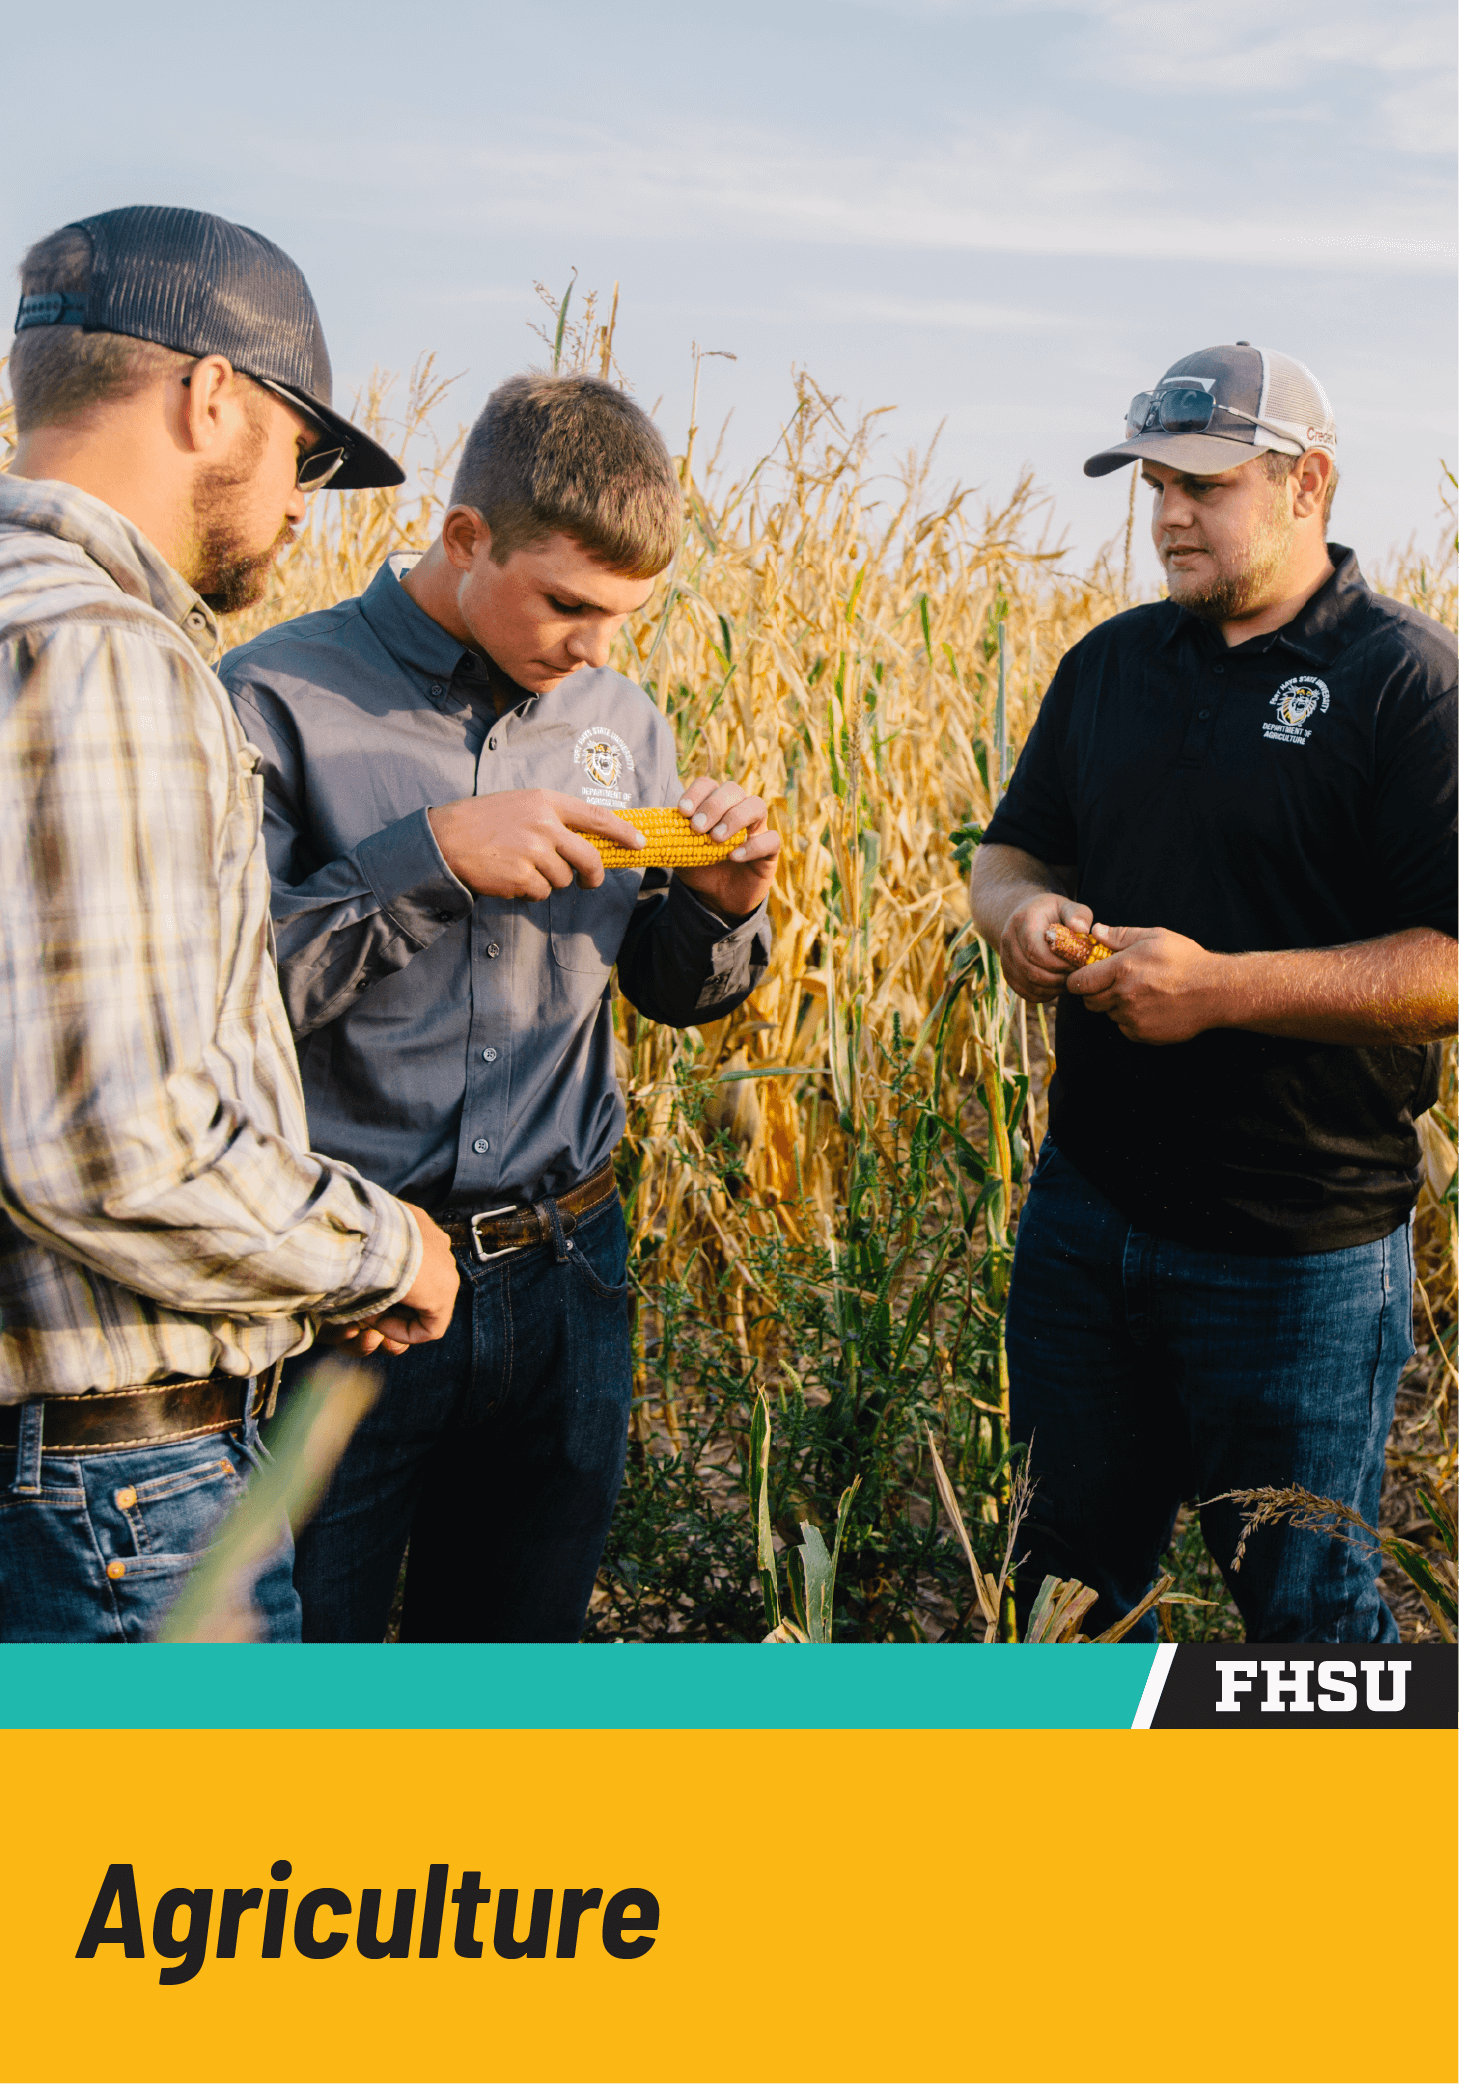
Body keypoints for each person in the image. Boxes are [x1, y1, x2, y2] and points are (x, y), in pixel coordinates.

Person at [221, 370, 778, 1643]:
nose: (594, 648)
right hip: (349, 1289)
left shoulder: (618, 718)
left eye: (623, 615)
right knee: (317, 1676)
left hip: (570, 1277)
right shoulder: (271, 698)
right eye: (568, 604)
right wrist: (429, 859)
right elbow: (215, 1002)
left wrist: (718, 905)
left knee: (516, 1671)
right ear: (465, 537)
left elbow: (660, 986)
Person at [0, 206, 459, 1644]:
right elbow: (102, 1143)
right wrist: (383, 1252)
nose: (305, 501)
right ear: (211, 396)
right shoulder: (99, 657)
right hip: (107, 1493)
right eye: (304, 451)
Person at [970, 342, 1457, 1643]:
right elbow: (1008, 851)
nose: (1168, 514)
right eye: (1151, 486)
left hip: (1295, 1253)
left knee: (1306, 1624)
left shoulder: (1404, 687)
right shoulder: (1110, 667)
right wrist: (1021, 914)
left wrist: (1221, 991)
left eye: (1202, 484)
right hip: (1087, 1221)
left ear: (1307, 486)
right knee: (1052, 1592)